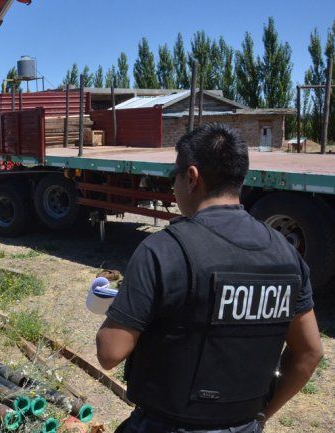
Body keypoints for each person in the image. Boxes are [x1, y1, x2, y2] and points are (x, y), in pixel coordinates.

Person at [95, 124, 323, 433]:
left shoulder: (163, 250)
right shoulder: (287, 255)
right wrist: (261, 416)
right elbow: (310, 351)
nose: (173, 188)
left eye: (174, 177)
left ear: (191, 177)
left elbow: (110, 352)